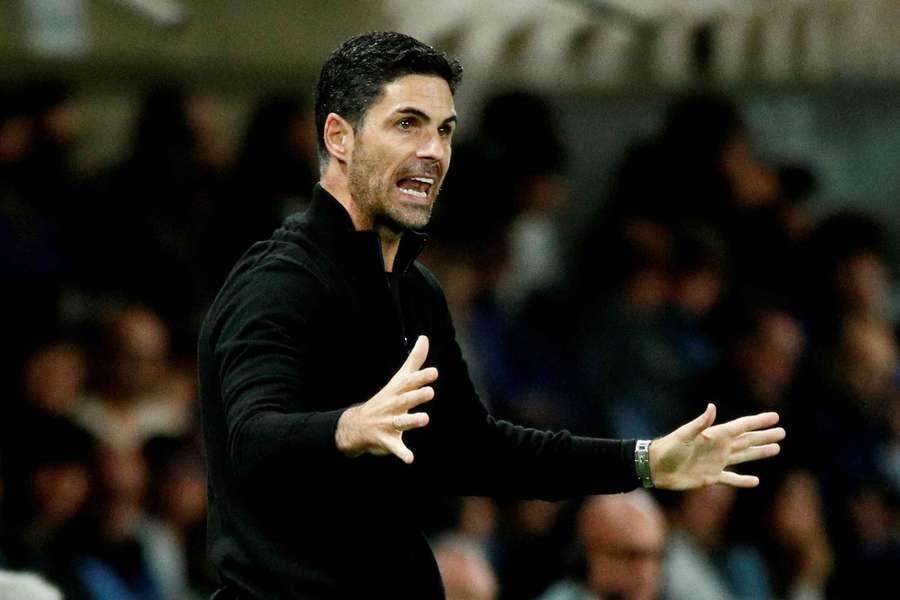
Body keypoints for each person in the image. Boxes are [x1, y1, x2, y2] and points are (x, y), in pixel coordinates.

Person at [198, 31, 785, 599]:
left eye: (444, 130)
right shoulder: (276, 284)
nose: (433, 151)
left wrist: (644, 461)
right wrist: (346, 427)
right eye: (407, 124)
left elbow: (479, 451)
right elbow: (250, 436)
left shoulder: (413, 290)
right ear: (340, 137)